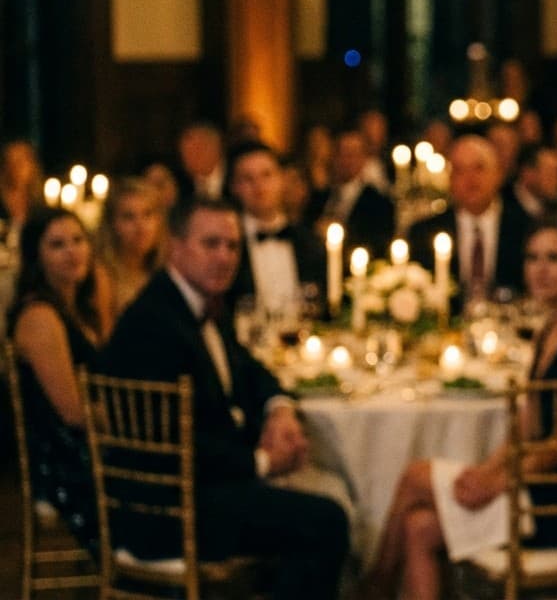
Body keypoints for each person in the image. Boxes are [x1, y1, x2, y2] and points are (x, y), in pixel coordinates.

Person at [97, 198, 349, 600]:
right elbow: (170, 444)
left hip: (201, 493)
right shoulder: (153, 324)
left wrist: (278, 409)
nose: (225, 257)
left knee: (326, 496)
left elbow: (249, 370)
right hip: (167, 512)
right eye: (210, 244)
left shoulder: (201, 302)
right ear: (175, 248)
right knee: (326, 520)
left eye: (232, 246)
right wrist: (262, 461)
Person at [360, 217, 557, 600]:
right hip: (538, 487)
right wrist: (484, 474)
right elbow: (528, 428)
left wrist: (499, 483)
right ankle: (376, 588)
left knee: (417, 476)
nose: (540, 270)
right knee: (418, 526)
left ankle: (373, 587)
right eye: (532, 258)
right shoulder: (554, 326)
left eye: (554, 258)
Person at [6, 208, 108, 555]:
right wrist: (136, 421)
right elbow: (72, 412)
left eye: (78, 240)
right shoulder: (40, 316)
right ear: (37, 255)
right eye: (57, 245)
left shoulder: (80, 309)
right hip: (65, 466)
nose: (73, 252)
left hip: (89, 449)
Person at [407, 135, 532, 305]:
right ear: (449, 179)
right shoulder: (424, 232)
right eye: (459, 170)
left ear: (498, 174)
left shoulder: (525, 227)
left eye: (479, 168)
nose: (470, 179)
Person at [224, 141, 327, 316]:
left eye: (266, 175)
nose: (259, 186)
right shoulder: (226, 246)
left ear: (281, 179)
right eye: (248, 178)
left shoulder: (309, 241)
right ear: (234, 187)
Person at [311, 129, 395, 257]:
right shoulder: (319, 197)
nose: (346, 160)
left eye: (353, 154)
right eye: (341, 153)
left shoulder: (379, 203)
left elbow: (377, 246)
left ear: (365, 158)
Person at [94, 177, 166, 318]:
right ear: (112, 225)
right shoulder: (102, 276)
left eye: (147, 214)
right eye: (128, 217)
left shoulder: (163, 271)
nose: (140, 226)